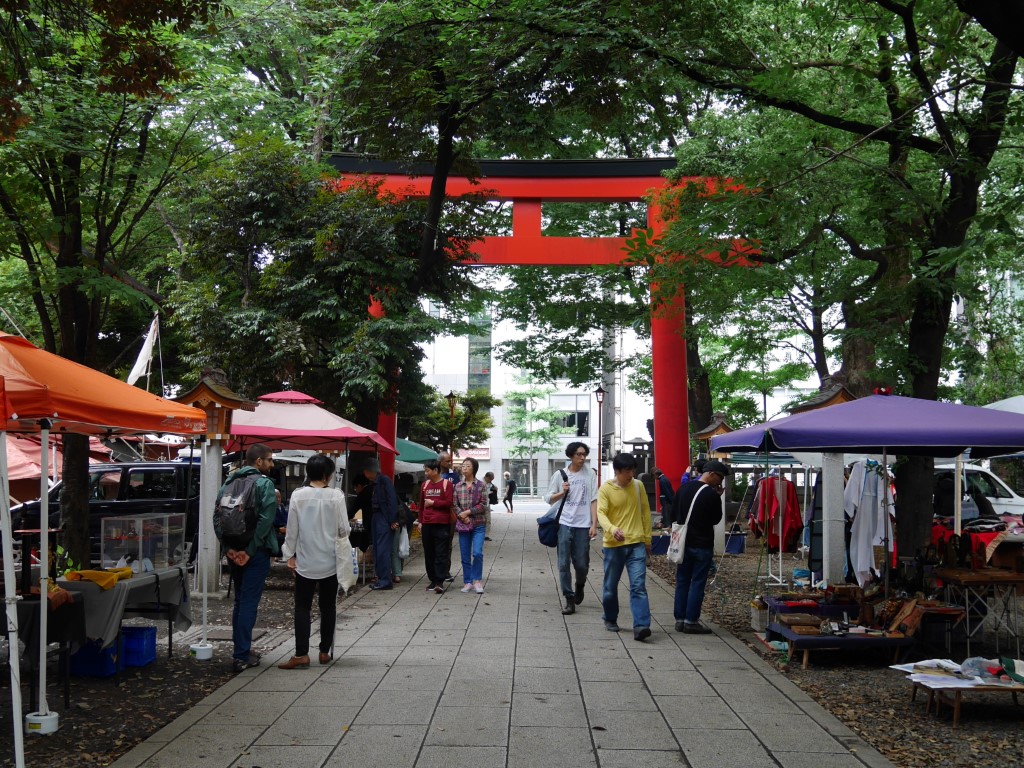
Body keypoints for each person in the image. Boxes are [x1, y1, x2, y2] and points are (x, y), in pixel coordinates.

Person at [279, 454, 350, 669]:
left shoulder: (298, 496)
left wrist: (289, 555)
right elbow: (344, 530)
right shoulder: (336, 497)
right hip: (330, 561)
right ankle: (324, 651)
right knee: (328, 607)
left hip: (305, 561)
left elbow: (291, 531)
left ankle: (301, 653)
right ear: (328, 475)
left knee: (302, 607)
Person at [216, 444, 279, 672]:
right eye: (269, 460)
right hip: (255, 553)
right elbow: (266, 520)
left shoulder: (228, 483)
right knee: (249, 602)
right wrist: (250, 551)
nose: (272, 464)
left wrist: (228, 549)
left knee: (240, 601)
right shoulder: (265, 484)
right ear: (259, 461)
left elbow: (217, 517)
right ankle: (241, 654)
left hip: (234, 551)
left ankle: (241, 649)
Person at [597, 452, 653, 642]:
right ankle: (610, 617)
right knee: (610, 586)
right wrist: (612, 529)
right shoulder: (606, 489)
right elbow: (601, 514)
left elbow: (645, 512)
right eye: (627, 471)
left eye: (633, 470)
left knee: (638, 586)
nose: (631, 474)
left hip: (636, 543)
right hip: (614, 545)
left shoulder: (638, 486)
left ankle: (641, 625)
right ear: (618, 471)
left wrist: (647, 540)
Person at [671, 459, 728, 634]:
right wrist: (717, 497)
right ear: (710, 474)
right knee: (697, 582)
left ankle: (679, 619)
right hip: (702, 543)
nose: (720, 482)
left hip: (683, 543)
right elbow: (715, 519)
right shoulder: (710, 495)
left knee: (682, 581)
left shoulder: (683, 488)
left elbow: (674, 513)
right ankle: (691, 621)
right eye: (719, 478)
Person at [544, 442, 598, 616]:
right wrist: (562, 492)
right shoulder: (560, 475)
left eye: (584, 454)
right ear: (570, 456)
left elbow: (594, 500)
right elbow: (548, 498)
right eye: (579, 454)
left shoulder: (590, 474)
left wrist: (594, 524)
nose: (582, 458)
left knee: (582, 564)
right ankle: (568, 598)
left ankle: (580, 584)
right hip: (565, 523)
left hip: (583, 525)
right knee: (563, 563)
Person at [419, 459, 455, 593]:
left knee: (441, 553)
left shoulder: (447, 484)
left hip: (442, 523)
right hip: (427, 524)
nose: (426, 473)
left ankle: (440, 581)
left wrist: (433, 502)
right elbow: (421, 506)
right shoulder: (425, 485)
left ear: (435, 470)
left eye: (427, 470)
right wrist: (421, 522)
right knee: (429, 553)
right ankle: (432, 580)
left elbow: (449, 502)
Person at [363, 459, 399, 590]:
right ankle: (381, 578)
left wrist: (393, 520)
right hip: (376, 516)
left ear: (370, 471)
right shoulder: (375, 483)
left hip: (384, 517)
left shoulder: (384, 481)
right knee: (377, 549)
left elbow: (392, 500)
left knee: (383, 550)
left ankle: (385, 580)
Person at [454, 457, 489, 594]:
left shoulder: (481, 485)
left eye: (467, 466)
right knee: (464, 554)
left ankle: (477, 580)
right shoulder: (457, 486)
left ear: (474, 468)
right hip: (463, 525)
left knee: (477, 553)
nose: (464, 468)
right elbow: (454, 504)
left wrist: (467, 512)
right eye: (463, 465)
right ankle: (467, 581)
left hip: (478, 524)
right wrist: (461, 515)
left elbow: (483, 504)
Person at [439, 452, 460, 581]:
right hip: (437, 513)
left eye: (450, 460)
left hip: (450, 512)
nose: (449, 463)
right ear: (440, 462)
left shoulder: (454, 476)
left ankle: (446, 571)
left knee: (448, 543)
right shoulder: (435, 475)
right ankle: (437, 570)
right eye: (447, 461)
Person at [273, 488, 288, 556]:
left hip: (284, 528)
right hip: (277, 530)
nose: (278, 499)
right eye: (276, 497)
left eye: (279, 497)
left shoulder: (282, 506)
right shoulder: (271, 508)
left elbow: (286, 518)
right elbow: (275, 522)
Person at [483, 471, 497, 541]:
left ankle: (486, 535)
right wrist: (491, 492)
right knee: (481, 520)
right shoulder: (480, 482)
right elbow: (483, 493)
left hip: (487, 503)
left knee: (488, 519)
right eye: (490, 479)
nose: (491, 481)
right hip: (481, 503)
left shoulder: (489, 483)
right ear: (487, 477)